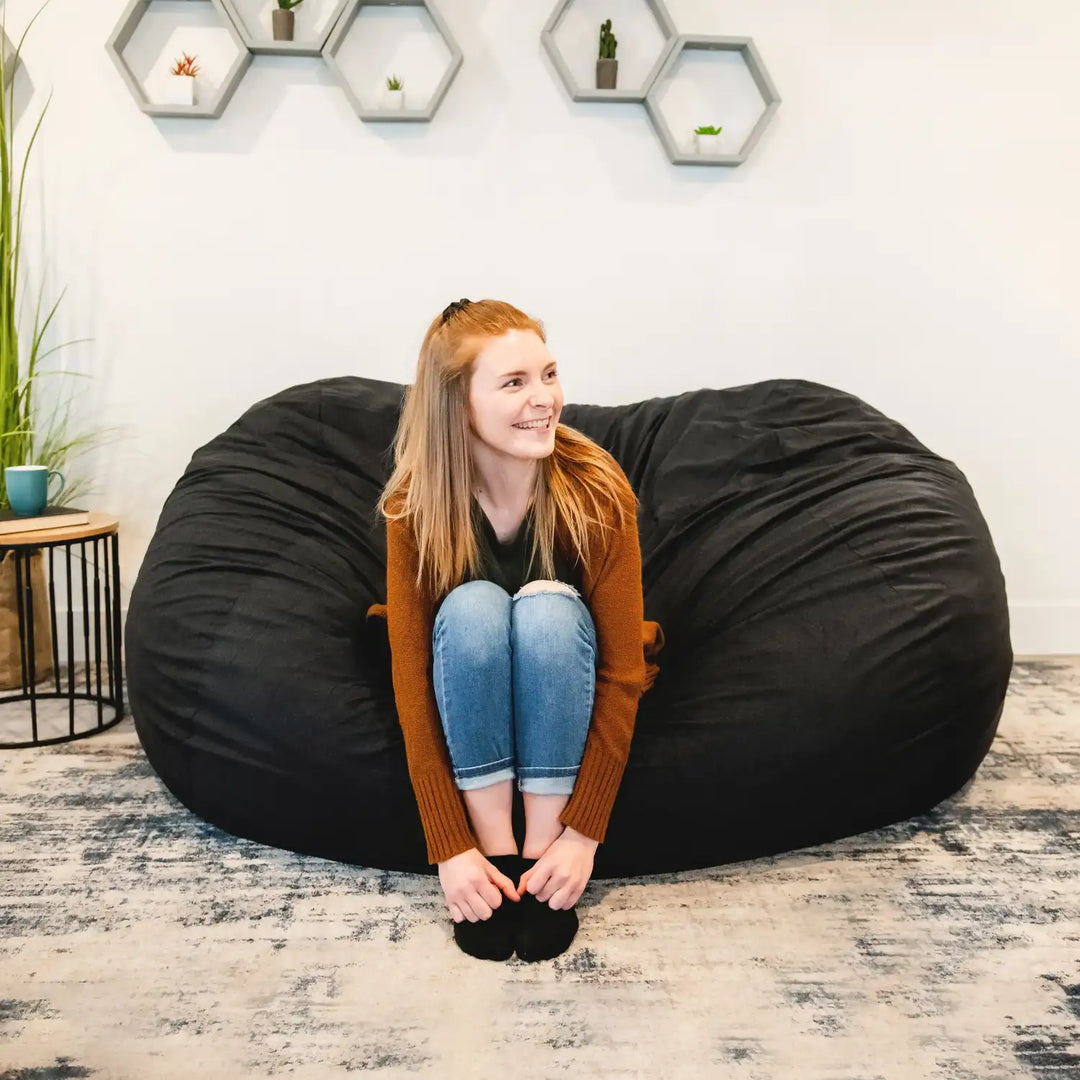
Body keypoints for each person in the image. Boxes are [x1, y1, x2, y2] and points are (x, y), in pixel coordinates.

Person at [370, 298, 663, 962]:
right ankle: (495, 852)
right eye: (514, 383)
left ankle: (540, 855)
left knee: (547, 609)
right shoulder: (417, 506)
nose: (546, 399)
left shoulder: (595, 490)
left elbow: (621, 674)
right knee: (474, 606)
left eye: (549, 374)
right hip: (467, 678)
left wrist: (582, 836)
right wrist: (450, 847)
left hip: (563, 672)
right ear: (457, 404)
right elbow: (411, 682)